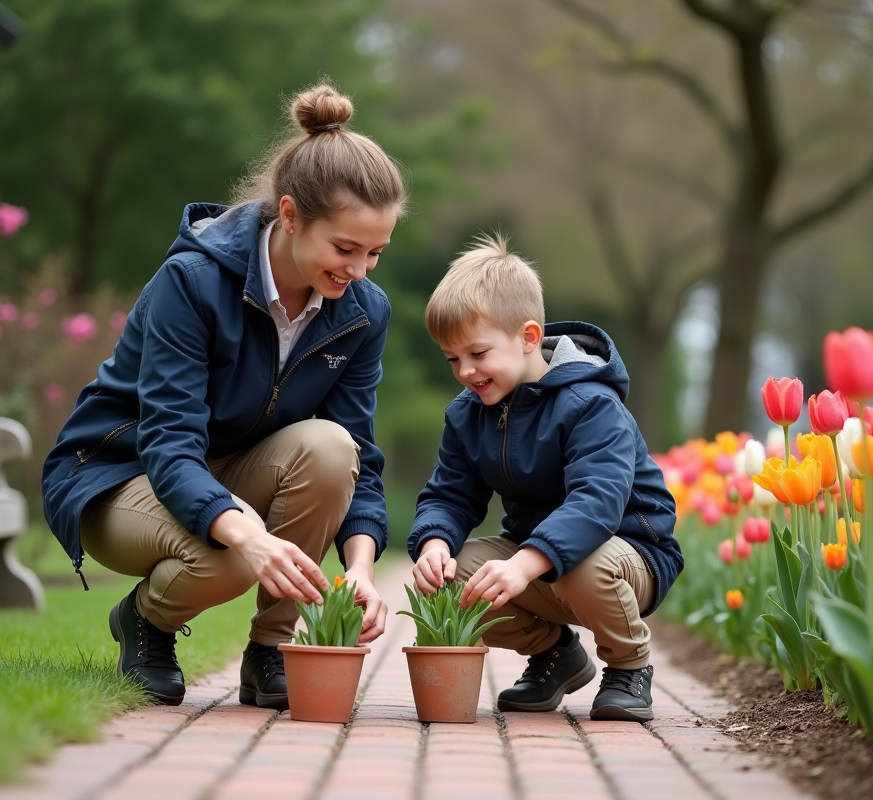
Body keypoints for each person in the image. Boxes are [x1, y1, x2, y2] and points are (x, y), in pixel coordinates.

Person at [41, 84, 405, 708]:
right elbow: (169, 440)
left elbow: (359, 458)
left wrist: (363, 570)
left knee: (329, 447)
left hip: (228, 469)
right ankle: (145, 624)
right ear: (289, 215)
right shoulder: (193, 281)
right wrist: (250, 535)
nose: (360, 271)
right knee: (233, 555)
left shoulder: (362, 313)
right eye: (344, 249)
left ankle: (270, 652)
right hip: (119, 473)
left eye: (375, 252)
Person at [407, 234, 683, 721]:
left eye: (478, 353)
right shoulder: (468, 415)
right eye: (453, 359)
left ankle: (629, 667)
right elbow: (449, 495)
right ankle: (554, 655)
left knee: (577, 561)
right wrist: (434, 545)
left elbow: (597, 503)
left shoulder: (591, 405)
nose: (466, 372)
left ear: (529, 337)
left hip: (626, 555)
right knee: (455, 578)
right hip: (541, 560)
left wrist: (524, 565)